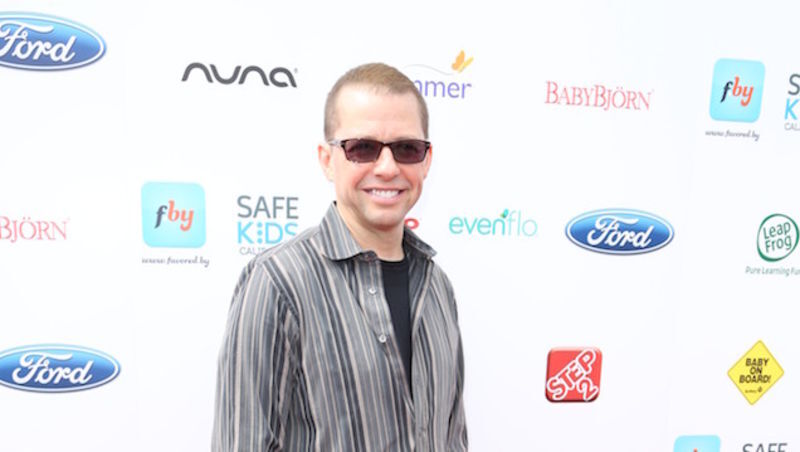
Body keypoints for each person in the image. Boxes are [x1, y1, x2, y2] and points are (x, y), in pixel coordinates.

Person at [212, 63, 468, 451]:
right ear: (327, 160)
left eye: (407, 149)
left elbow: (452, 438)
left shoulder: (437, 285)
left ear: (426, 160)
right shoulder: (278, 282)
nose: (387, 168)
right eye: (362, 148)